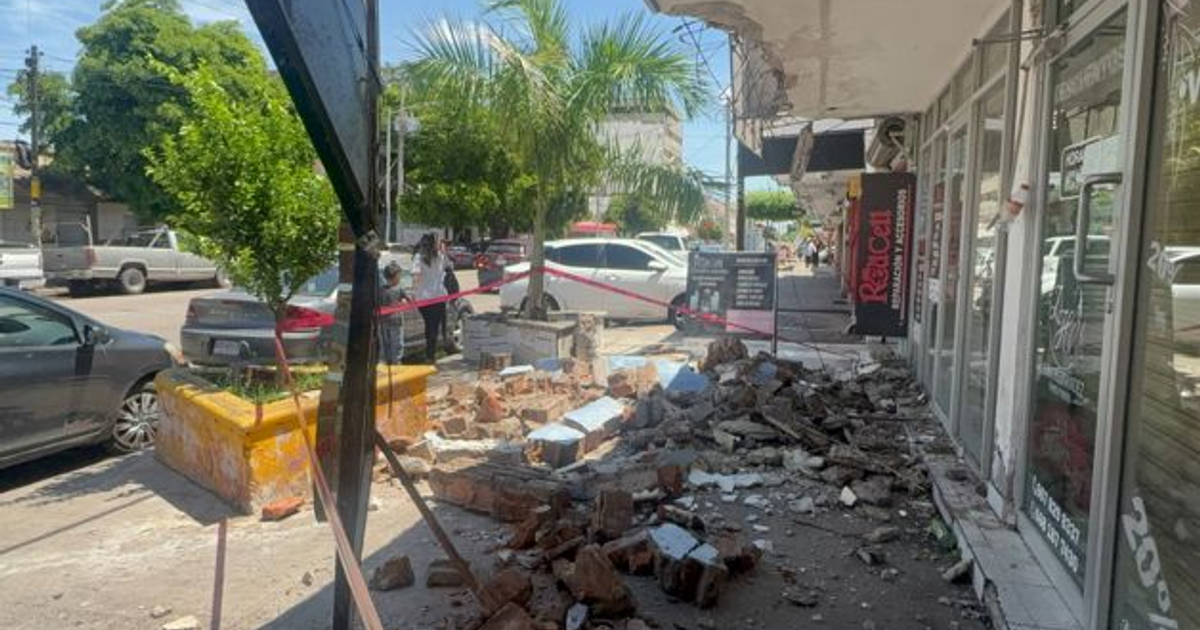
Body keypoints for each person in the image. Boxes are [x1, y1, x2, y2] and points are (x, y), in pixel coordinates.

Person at [412, 233, 449, 364]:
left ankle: (430, 355)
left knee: (429, 326)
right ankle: (430, 355)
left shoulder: (419, 257)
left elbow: (416, 276)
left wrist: (414, 292)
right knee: (433, 327)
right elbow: (447, 269)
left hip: (423, 298)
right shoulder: (440, 257)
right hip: (438, 297)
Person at [379, 261, 409, 364]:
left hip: (382, 323)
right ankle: (396, 366)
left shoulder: (380, 290)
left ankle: (385, 366)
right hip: (395, 322)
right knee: (396, 347)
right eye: (399, 276)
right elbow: (409, 301)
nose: (400, 278)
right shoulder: (399, 289)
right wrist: (404, 302)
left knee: (385, 347)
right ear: (395, 276)